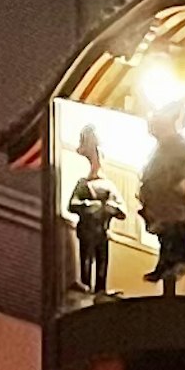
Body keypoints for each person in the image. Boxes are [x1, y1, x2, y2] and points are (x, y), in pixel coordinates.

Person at [134, 105, 185, 294]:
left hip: (173, 200)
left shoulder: (182, 146)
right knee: (164, 235)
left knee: (175, 230)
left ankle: (179, 259)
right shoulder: (157, 152)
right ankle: (165, 263)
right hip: (159, 201)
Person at [64, 122, 119, 301]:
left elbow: (121, 209)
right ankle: (86, 287)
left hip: (102, 231)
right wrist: (90, 206)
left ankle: (101, 291)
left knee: (102, 263)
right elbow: (72, 205)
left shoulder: (108, 185)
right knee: (86, 261)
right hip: (87, 231)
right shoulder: (83, 183)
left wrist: (110, 207)